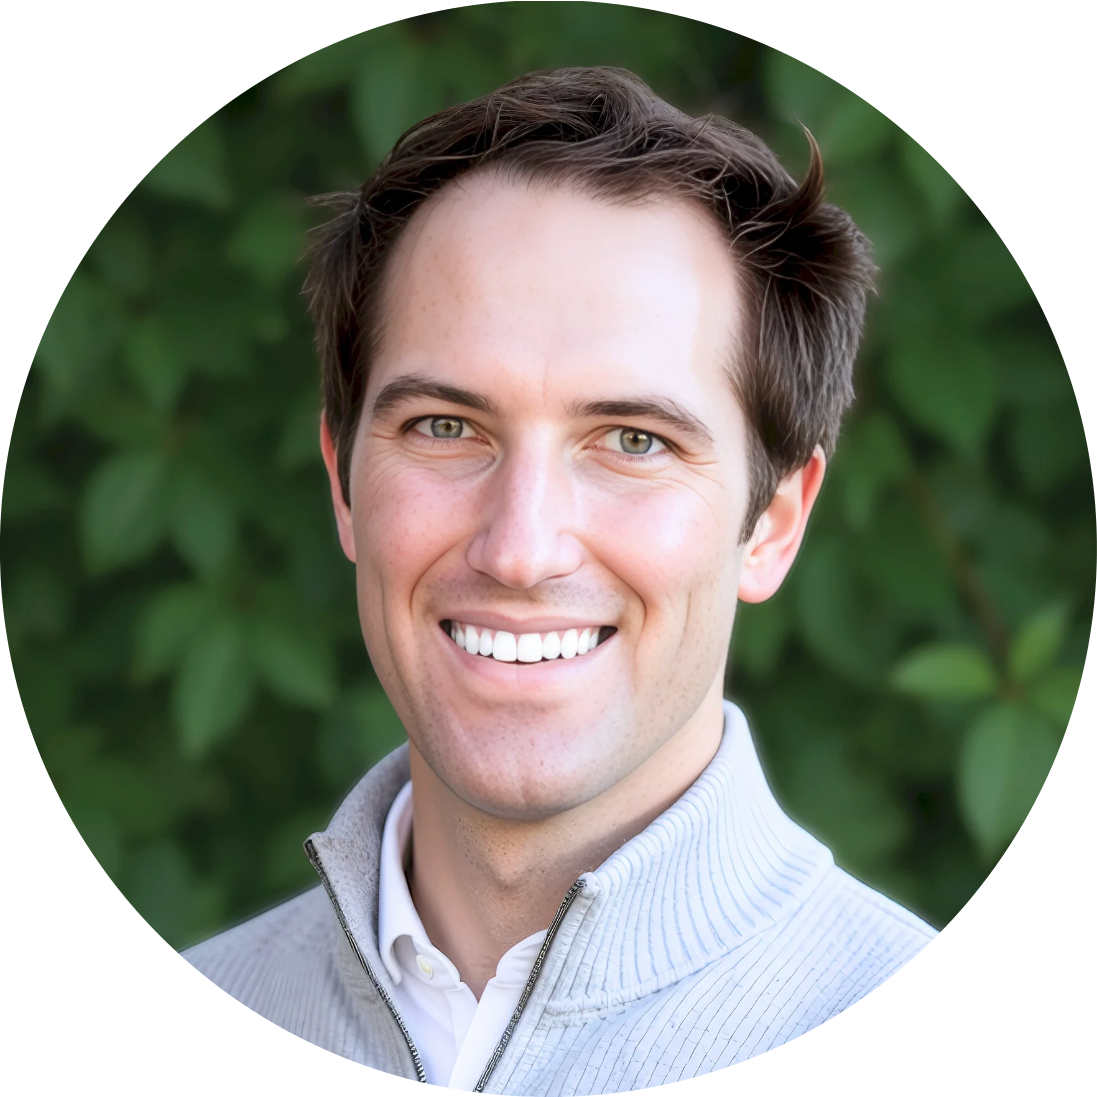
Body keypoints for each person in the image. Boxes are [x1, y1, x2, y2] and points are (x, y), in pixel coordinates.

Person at [180, 66, 1000, 1096]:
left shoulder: (963, 1063)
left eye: (632, 439)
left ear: (773, 523)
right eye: (444, 426)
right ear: (343, 481)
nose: (520, 549)